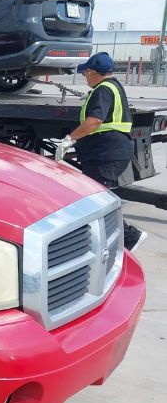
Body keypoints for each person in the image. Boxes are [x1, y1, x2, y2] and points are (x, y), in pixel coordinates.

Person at [56, 51, 146, 252]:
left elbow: (95, 121)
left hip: (106, 153)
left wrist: (70, 139)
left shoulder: (103, 90)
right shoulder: (113, 86)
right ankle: (106, 238)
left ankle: (130, 237)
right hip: (109, 151)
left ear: (93, 72)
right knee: (94, 198)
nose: (85, 77)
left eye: (85, 73)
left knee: (96, 200)